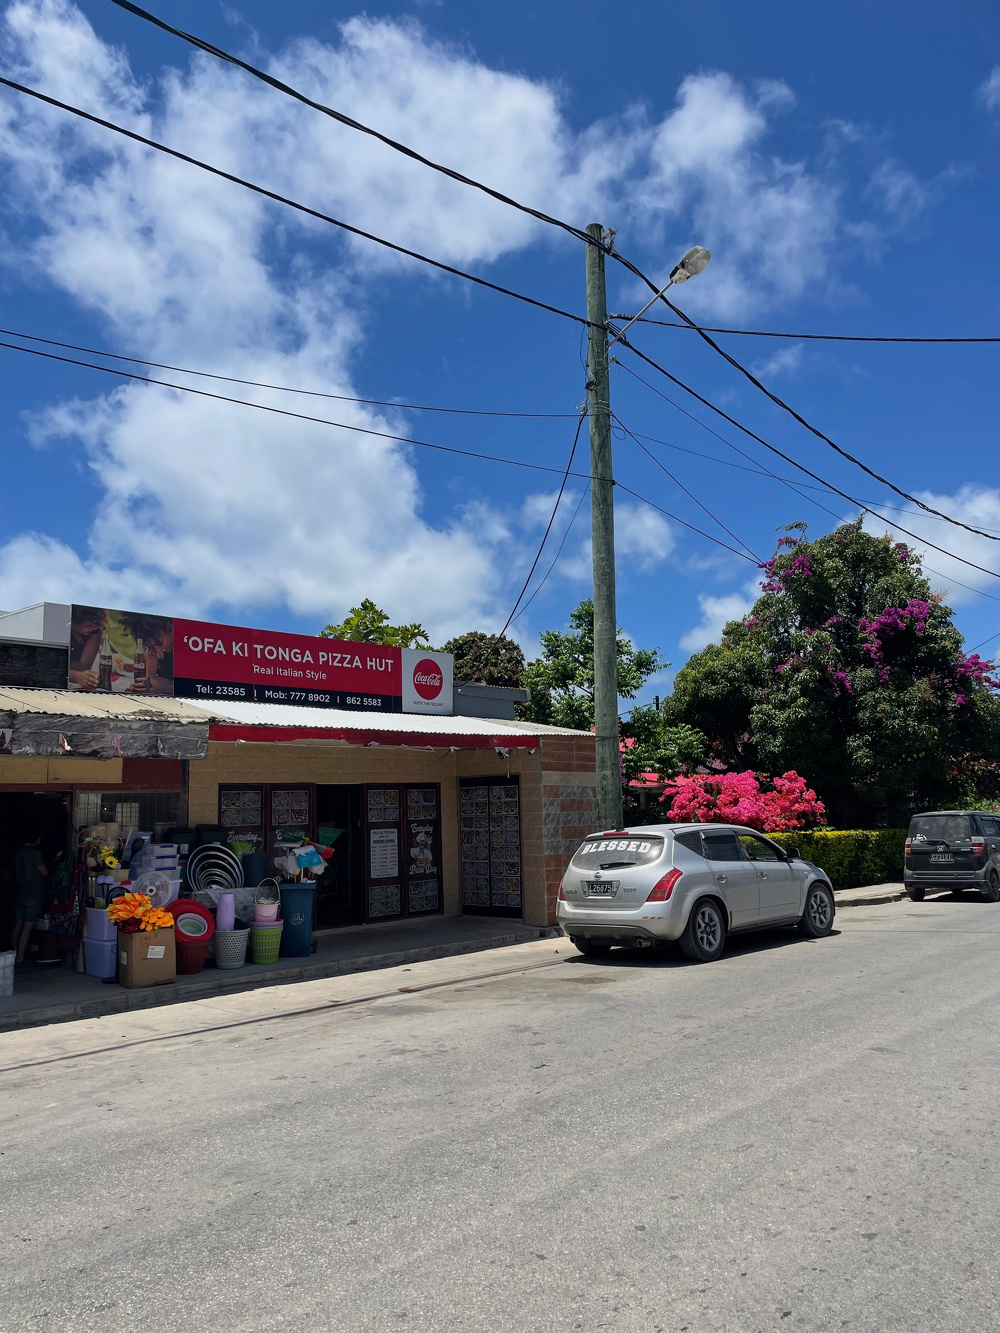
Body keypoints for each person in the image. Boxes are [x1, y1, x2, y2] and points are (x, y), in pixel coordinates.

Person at [12, 834, 48, 965]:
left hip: (21, 890)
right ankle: (20, 957)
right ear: (36, 839)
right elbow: (44, 872)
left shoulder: (19, 853)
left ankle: (13, 953)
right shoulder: (34, 853)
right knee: (28, 927)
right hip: (34, 891)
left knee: (18, 924)